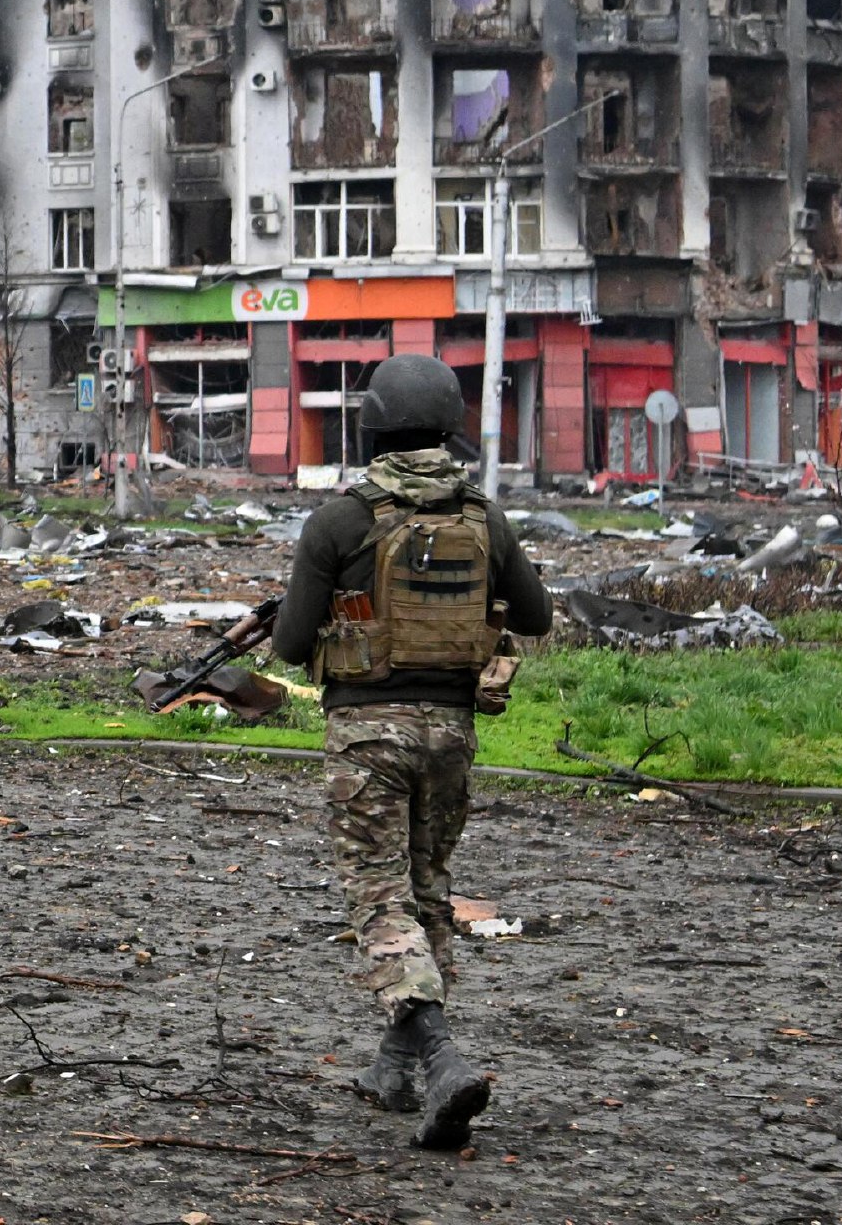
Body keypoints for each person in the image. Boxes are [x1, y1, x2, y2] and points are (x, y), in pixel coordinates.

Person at [270, 354, 551, 1151]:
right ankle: (399, 1070)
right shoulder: (484, 517)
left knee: (379, 899)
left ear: (374, 425)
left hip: (366, 737)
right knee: (427, 895)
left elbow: (292, 647)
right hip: (452, 737)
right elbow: (536, 618)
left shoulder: (341, 521)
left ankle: (440, 1055)